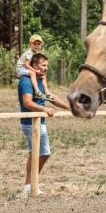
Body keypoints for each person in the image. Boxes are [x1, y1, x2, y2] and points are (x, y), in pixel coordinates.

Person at [18, 53, 70, 194]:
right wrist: (45, 109)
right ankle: (30, 185)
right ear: (34, 66)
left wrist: (68, 107)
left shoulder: (40, 79)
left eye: (47, 65)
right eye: (43, 65)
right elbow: (27, 102)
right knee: (44, 153)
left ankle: (29, 186)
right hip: (30, 122)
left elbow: (48, 96)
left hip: (38, 121)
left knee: (35, 153)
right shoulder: (26, 81)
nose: (46, 68)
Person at [16, 34, 48, 99]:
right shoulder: (29, 53)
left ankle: (46, 92)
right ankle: (37, 92)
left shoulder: (36, 53)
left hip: (27, 68)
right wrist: (35, 71)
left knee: (43, 76)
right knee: (32, 73)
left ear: (41, 45)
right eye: (34, 44)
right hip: (21, 68)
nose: (36, 46)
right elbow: (26, 65)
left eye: (38, 44)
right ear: (30, 44)